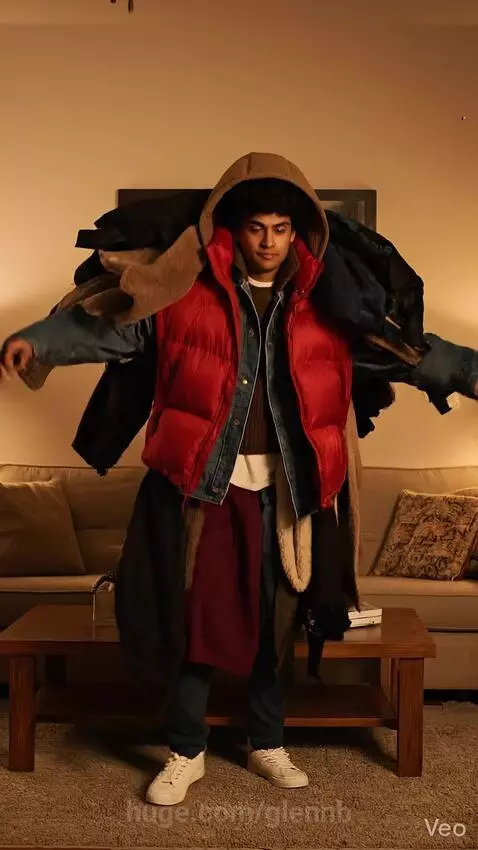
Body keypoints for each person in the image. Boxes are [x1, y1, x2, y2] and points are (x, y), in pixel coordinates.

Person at [1, 153, 476, 807]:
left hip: (292, 493)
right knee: (195, 619)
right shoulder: (184, 293)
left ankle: (266, 740)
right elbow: (110, 326)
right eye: (257, 228)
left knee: (276, 626)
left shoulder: (329, 299)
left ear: (298, 231)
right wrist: (40, 343)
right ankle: (185, 749)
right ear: (235, 228)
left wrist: (470, 373)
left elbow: (408, 351)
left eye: (281, 229)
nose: (269, 242)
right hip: (203, 487)